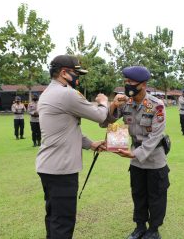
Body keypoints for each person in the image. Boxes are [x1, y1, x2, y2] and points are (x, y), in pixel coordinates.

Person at [36, 55, 109, 239]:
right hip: (61, 170)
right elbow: (100, 115)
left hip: (50, 167)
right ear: (63, 73)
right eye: (76, 73)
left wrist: (91, 144)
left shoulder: (49, 92)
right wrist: (104, 101)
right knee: (63, 223)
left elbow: (66, 130)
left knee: (54, 218)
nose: (78, 78)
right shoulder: (66, 93)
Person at [101, 66, 170, 239]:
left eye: (130, 82)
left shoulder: (156, 105)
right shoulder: (126, 103)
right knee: (138, 193)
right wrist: (113, 105)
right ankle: (140, 226)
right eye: (126, 82)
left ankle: (153, 230)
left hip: (154, 158)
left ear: (143, 84)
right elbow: (105, 123)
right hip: (135, 158)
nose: (127, 85)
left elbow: (155, 136)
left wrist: (135, 154)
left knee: (156, 195)